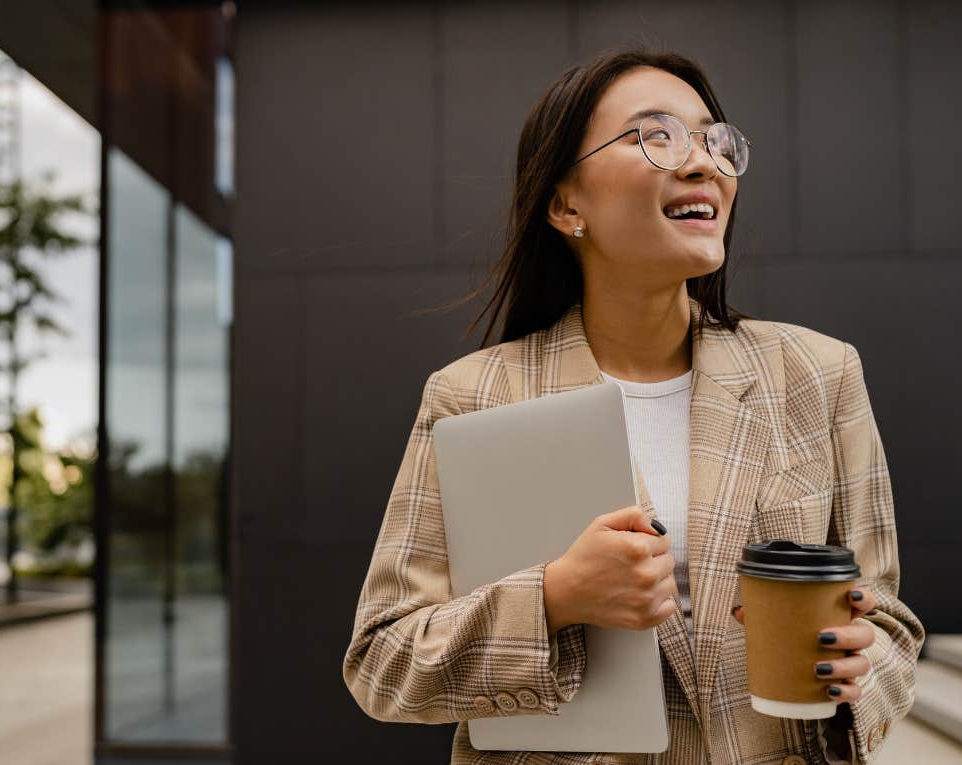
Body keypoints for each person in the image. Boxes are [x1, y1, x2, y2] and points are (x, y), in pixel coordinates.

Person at [341, 47, 924, 765]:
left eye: (716, 140)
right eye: (658, 135)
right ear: (565, 203)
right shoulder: (473, 398)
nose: (703, 161)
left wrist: (860, 671)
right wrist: (554, 597)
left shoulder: (815, 375)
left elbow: (889, 624)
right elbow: (383, 663)